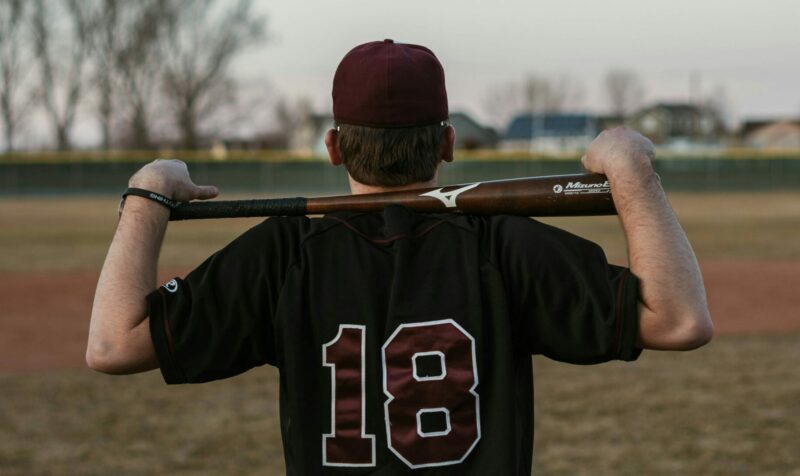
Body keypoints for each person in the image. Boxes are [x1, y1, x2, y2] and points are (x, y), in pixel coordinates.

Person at [87, 39, 712, 474]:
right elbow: (679, 320)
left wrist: (147, 196)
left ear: (334, 147)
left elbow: (114, 346)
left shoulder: (282, 254)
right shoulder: (504, 244)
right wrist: (634, 174)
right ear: (447, 143)